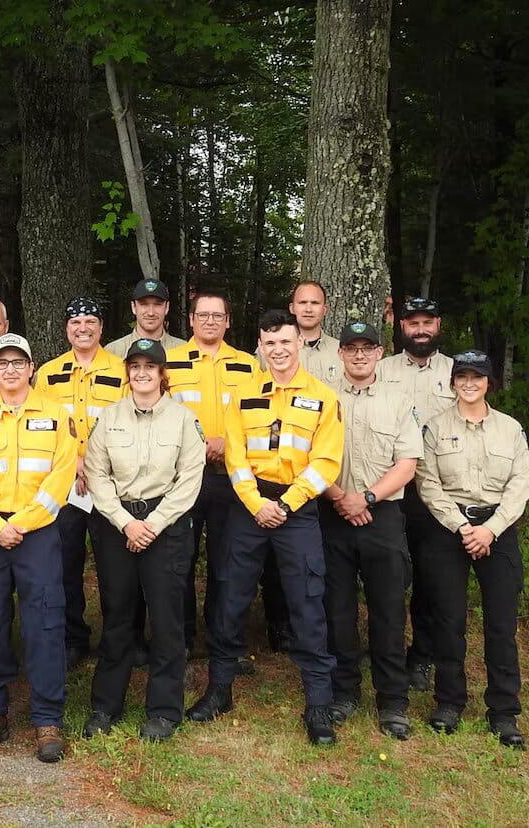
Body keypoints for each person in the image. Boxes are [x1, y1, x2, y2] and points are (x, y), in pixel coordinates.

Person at [187, 309, 343, 746]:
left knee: (308, 600)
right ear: (260, 345)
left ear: (300, 344)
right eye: (270, 343)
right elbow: (234, 455)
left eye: (286, 343)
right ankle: (220, 689)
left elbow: (326, 463)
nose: (278, 351)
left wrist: (286, 504)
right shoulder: (244, 394)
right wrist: (257, 503)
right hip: (249, 505)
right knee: (230, 595)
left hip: (297, 507)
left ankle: (318, 703)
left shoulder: (323, 397)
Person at [0, 333, 76, 762]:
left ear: (31, 368)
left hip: (37, 533)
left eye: (18, 362)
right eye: (2, 362)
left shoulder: (56, 415)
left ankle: (47, 718)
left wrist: (21, 524)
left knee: (44, 624)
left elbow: (60, 479)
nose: (10, 369)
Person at [83, 339, 206, 741]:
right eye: (134, 366)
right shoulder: (109, 417)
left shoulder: (184, 419)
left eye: (149, 366)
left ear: (161, 373)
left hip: (165, 526)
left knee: (167, 620)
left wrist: (152, 524)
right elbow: (96, 474)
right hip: (117, 525)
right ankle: (105, 706)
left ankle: (164, 710)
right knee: (117, 616)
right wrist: (125, 523)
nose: (141, 373)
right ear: (127, 373)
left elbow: (189, 479)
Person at [416, 350, 529, 749]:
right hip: (450, 530)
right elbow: (428, 484)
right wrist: (464, 527)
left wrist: (491, 529)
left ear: (489, 383)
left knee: (501, 625)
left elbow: (519, 486)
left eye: (477, 377)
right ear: (452, 383)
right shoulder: (433, 428)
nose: (469, 383)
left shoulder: (511, 430)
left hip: (498, 531)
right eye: (461, 376)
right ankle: (449, 702)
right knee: (447, 622)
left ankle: (503, 711)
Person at [319, 321, 421, 740]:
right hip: (332, 511)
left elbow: (407, 464)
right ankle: (345, 693)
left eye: (367, 348)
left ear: (380, 353)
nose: (359, 355)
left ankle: (393, 701)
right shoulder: (321, 398)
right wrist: (341, 497)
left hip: (382, 517)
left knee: (388, 612)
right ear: (339, 353)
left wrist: (368, 498)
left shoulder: (399, 401)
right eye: (351, 348)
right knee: (337, 611)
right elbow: (306, 456)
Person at [162, 291, 264, 660]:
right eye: (202, 315)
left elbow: (258, 417)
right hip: (182, 479)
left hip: (230, 477)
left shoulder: (248, 365)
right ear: (189, 320)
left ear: (228, 321)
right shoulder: (169, 364)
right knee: (180, 561)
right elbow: (158, 416)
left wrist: (227, 443)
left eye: (217, 315)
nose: (209, 321)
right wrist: (200, 442)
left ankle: (225, 641)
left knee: (228, 562)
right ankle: (183, 640)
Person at [34, 297, 128, 667]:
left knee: (114, 566)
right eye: (75, 322)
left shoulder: (121, 370)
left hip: (110, 485)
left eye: (90, 321)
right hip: (65, 486)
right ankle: (73, 637)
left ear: (102, 327)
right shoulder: (48, 373)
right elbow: (40, 427)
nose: (83, 327)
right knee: (66, 564)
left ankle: (118, 638)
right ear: (66, 329)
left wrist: (95, 464)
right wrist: (73, 461)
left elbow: (128, 425)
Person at [376, 296, 456, 691]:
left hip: (435, 490)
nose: (420, 329)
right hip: (388, 487)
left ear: (438, 324)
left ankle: (421, 655)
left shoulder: (459, 373)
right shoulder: (381, 369)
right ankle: (380, 647)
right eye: (413, 323)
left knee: (430, 575)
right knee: (389, 573)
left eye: (427, 322)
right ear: (401, 326)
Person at [103, 278, 186, 358]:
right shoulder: (113, 351)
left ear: (167, 307)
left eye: (157, 304)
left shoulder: (183, 350)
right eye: (144, 304)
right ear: (134, 307)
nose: (151, 313)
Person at [288, 281, 342, 389]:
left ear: (324, 310)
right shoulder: (273, 350)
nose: (308, 309)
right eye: (302, 302)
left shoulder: (341, 352)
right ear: (292, 308)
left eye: (315, 303)